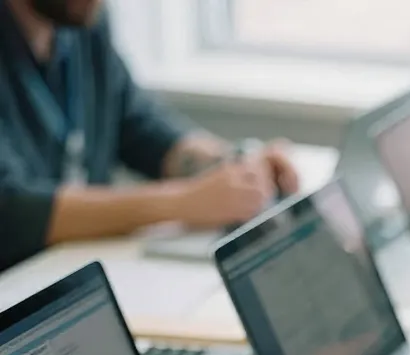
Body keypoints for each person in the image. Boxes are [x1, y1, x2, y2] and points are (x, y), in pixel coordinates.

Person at [0, 0, 300, 272]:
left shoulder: (81, 21)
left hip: (77, 277)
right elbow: (13, 210)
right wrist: (183, 202)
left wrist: (235, 164)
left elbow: (141, 128)